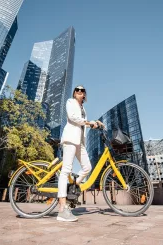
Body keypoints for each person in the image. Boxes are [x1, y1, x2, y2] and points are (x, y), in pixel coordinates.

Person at [57, 85, 104, 222]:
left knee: (87, 168)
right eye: (77, 90)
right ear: (74, 93)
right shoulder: (70, 102)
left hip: (80, 142)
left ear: (84, 95)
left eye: (82, 90)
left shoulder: (84, 109)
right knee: (66, 170)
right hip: (71, 139)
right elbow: (73, 118)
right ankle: (62, 209)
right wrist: (90, 123)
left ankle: (71, 188)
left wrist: (96, 123)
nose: (79, 91)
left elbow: (83, 122)